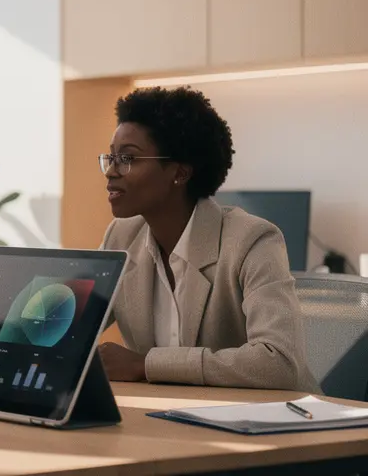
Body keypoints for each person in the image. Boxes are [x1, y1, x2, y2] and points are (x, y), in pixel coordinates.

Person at [96, 86, 318, 392]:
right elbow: (72, 323)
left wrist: (144, 364)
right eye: (111, 157)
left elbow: (278, 362)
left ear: (180, 173)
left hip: (268, 423)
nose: (110, 171)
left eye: (127, 158)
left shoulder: (252, 241)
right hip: (173, 420)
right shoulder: (122, 236)